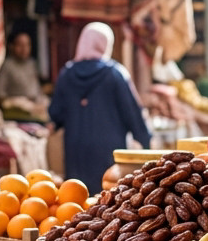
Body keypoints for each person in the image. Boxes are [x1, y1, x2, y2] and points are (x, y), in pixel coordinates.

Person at [49, 23, 151, 186]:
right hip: (109, 151)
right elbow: (133, 114)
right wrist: (146, 142)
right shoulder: (115, 74)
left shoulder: (67, 74)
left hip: (76, 150)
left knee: (77, 197)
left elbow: (55, 113)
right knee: (108, 196)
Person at [0, 31, 46, 104]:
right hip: (15, 110)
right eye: (20, 45)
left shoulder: (31, 64)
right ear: (11, 46)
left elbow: (36, 90)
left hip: (35, 107)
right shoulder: (6, 66)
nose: (24, 49)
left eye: (27, 45)